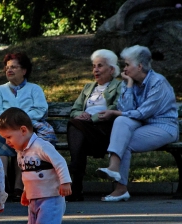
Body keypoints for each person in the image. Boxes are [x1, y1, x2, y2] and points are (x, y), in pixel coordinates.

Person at [96, 45, 179, 202]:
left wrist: (114, 112)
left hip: (164, 127)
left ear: (139, 66)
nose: (124, 69)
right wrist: (128, 85)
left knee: (123, 134)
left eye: (127, 64)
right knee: (121, 121)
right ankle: (116, 176)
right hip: (143, 124)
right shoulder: (131, 82)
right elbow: (126, 109)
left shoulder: (158, 82)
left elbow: (142, 112)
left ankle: (119, 187)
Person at [0, 107, 72, 224]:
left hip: (51, 196)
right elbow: (27, 174)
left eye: (9, 137)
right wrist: (25, 191)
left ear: (23, 130)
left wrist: (65, 182)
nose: (7, 142)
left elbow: (60, 162)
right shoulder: (20, 152)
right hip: (34, 197)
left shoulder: (41, 146)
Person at [0, 52, 57, 201]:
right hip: (4, 128)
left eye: (14, 67)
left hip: (27, 128)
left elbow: (40, 109)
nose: (9, 70)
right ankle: (3, 184)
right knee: (0, 141)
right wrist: (12, 124)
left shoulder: (35, 89)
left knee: (27, 144)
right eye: (7, 68)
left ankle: (20, 187)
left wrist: (20, 121)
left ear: (24, 70)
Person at [67, 49, 121, 201]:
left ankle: (75, 182)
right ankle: (76, 184)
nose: (95, 70)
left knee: (74, 126)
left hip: (104, 129)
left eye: (100, 66)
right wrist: (80, 115)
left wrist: (92, 117)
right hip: (84, 129)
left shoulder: (118, 86)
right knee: (75, 125)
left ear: (111, 69)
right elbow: (75, 109)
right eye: (94, 66)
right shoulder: (88, 87)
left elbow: (117, 107)